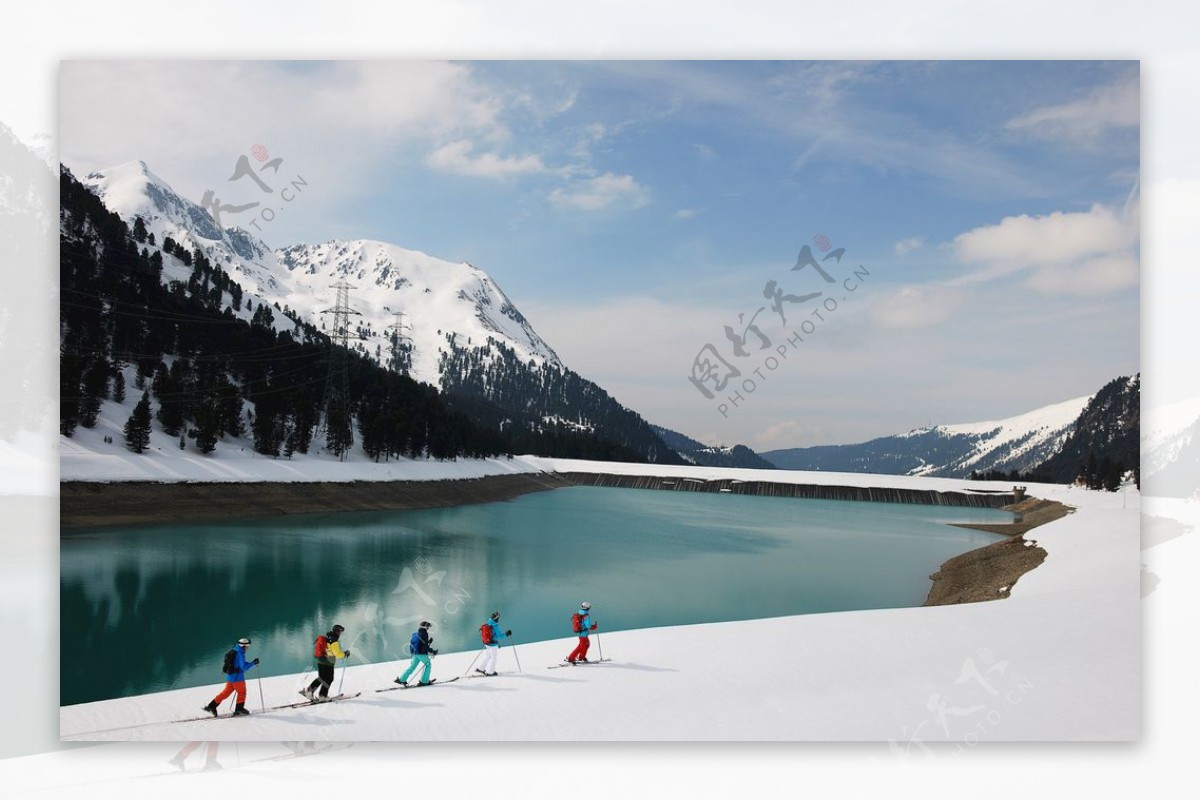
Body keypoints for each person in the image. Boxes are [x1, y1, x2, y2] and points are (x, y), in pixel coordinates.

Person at [203, 637, 259, 717]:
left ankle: (211, 706)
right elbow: (244, 667)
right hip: (238, 679)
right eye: (247, 646)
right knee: (242, 692)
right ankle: (239, 709)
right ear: (243, 646)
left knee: (225, 693)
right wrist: (253, 663)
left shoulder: (235, 650)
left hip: (230, 677)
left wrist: (249, 663)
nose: (248, 648)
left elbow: (238, 664)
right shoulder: (240, 654)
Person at [303, 624, 350, 701]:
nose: (340, 634)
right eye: (340, 632)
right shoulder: (334, 641)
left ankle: (309, 691)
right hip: (328, 662)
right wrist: (345, 653)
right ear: (337, 632)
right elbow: (337, 654)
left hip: (320, 660)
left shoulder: (328, 637)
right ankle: (322, 696)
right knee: (329, 678)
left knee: (322, 677)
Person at [395, 621, 438, 687]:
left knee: (412, 667)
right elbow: (425, 646)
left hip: (415, 654)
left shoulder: (415, 634)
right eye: (428, 627)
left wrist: (428, 642)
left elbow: (414, 644)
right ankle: (424, 682)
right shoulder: (425, 633)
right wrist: (432, 651)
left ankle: (401, 679)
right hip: (421, 654)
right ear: (425, 627)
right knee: (428, 665)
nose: (429, 628)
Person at [475, 611, 512, 677]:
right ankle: (490, 672)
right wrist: (506, 634)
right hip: (492, 645)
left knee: (488, 656)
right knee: (494, 658)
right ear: (497, 618)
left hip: (487, 643)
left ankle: (480, 668)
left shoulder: (489, 622)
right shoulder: (495, 626)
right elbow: (499, 636)